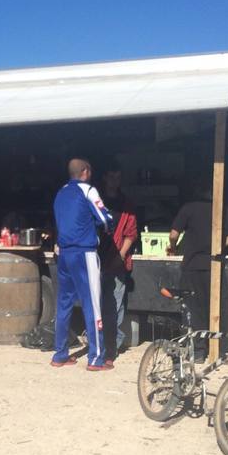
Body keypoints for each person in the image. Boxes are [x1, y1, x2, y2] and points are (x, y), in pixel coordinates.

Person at [52, 158, 113, 371]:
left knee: (63, 304)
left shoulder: (60, 193)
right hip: (84, 253)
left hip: (64, 253)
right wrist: (105, 225)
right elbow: (105, 218)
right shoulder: (88, 190)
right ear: (85, 172)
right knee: (92, 303)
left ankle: (60, 354)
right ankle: (96, 357)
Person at [168, 183, 228, 360]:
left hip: (192, 266)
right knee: (220, 309)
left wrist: (174, 247)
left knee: (194, 309)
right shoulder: (224, 210)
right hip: (215, 266)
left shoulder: (188, 209)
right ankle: (225, 351)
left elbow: (173, 234)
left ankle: (198, 352)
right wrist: (215, 244)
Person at [100, 171, 137, 364]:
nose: (115, 180)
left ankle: (112, 345)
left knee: (115, 305)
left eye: (118, 177)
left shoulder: (126, 203)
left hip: (117, 261)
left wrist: (120, 256)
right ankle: (99, 343)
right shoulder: (97, 200)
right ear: (105, 178)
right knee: (98, 304)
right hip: (97, 259)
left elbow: (131, 233)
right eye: (111, 176)